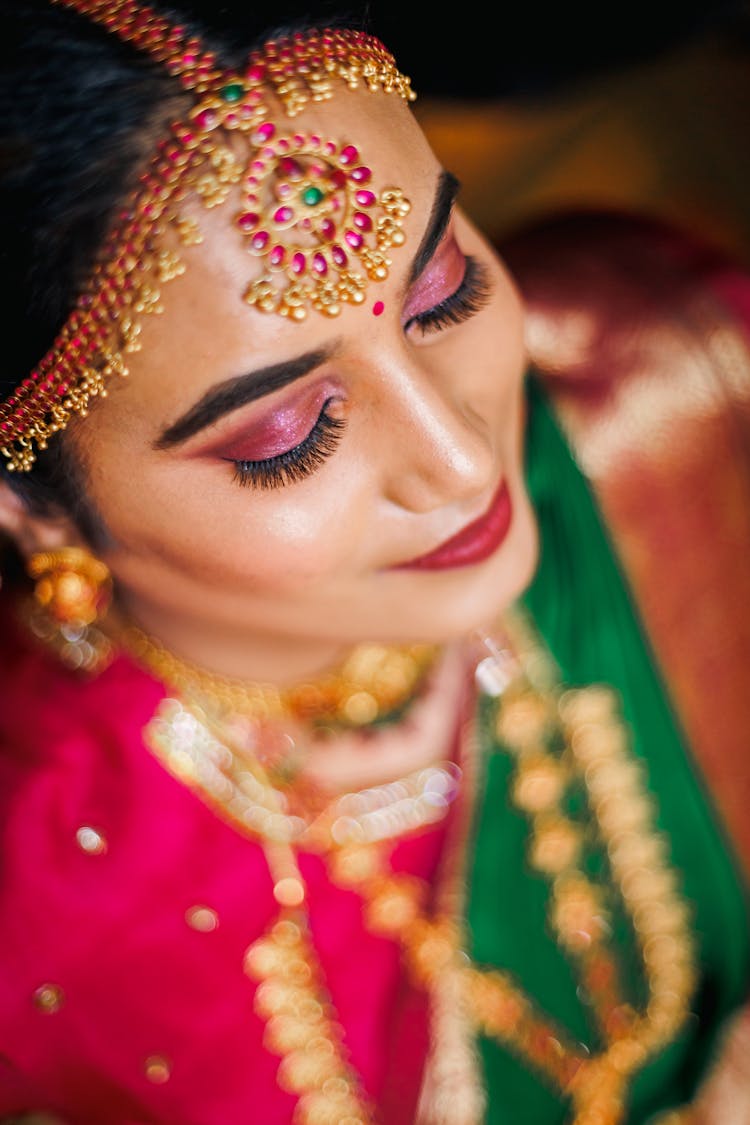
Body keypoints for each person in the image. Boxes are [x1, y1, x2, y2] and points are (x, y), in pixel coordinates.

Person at [0, 2, 748, 1123]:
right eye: (287, 433)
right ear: (30, 510)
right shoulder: (38, 908)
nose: (461, 460)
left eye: (443, 288)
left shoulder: (673, 381)